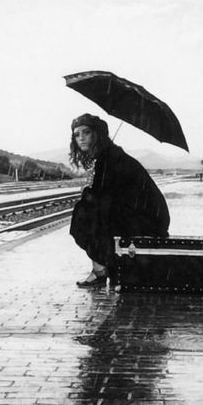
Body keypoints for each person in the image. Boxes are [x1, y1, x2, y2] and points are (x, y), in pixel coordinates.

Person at [69, 114, 170, 286]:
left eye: (86, 132)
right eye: (77, 135)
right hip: (141, 215)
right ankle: (101, 268)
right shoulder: (107, 155)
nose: (81, 138)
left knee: (85, 213)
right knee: (89, 210)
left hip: (149, 220)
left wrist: (87, 191)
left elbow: (105, 198)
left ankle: (101, 270)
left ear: (97, 134)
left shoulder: (110, 157)